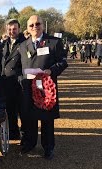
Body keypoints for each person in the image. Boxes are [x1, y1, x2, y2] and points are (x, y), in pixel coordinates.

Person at [19, 15, 68, 160]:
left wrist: (51, 70)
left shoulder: (54, 42)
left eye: (37, 24)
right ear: (27, 28)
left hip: (46, 88)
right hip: (29, 87)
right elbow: (18, 67)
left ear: (43, 25)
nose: (35, 27)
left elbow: (63, 62)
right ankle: (30, 144)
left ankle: (48, 147)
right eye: (31, 25)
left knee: (47, 119)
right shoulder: (23, 46)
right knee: (30, 119)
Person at [1, 19, 26, 140]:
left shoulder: (25, 43)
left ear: (19, 29)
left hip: (19, 83)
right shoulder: (5, 43)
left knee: (23, 112)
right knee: (10, 111)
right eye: (9, 29)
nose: (12, 31)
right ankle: (14, 133)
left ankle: (26, 137)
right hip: (7, 83)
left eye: (14, 29)